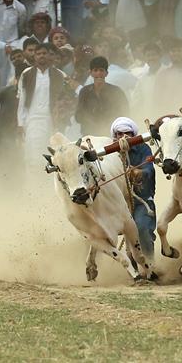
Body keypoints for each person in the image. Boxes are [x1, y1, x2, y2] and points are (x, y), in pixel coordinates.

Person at [17, 43, 74, 166]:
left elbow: (67, 98)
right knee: (33, 153)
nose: (41, 56)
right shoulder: (27, 74)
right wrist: (20, 123)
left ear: (49, 55)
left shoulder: (59, 75)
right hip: (32, 119)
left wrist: (61, 118)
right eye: (38, 54)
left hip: (52, 120)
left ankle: (48, 178)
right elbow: (22, 99)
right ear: (34, 56)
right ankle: (33, 178)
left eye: (44, 53)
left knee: (51, 153)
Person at [110, 117, 156, 268]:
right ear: (115, 136)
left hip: (141, 200)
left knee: (142, 228)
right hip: (117, 204)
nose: (124, 137)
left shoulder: (143, 149)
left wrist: (138, 172)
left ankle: (150, 265)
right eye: (119, 134)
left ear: (133, 134)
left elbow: (149, 169)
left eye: (128, 133)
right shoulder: (109, 154)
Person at [75, 56, 129, 137]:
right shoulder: (85, 92)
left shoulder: (116, 92)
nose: (98, 73)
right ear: (91, 73)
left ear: (106, 73)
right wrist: (92, 121)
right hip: (90, 137)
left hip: (112, 135)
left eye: (101, 70)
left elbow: (125, 114)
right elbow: (78, 116)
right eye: (95, 70)